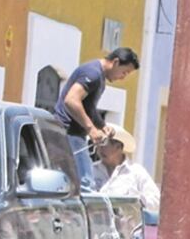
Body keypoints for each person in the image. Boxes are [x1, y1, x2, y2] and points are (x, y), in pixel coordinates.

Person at [53, 47, 140, 190]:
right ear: (116, 62)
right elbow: (72, 100)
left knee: (73, 184)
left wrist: (101, 125)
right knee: (85, 184)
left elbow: (88, 107)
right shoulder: (93, 74)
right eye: (124, 72)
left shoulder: (98, 77)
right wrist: (91, 130)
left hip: (72, 135)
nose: (123, 77)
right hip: (69, 134)